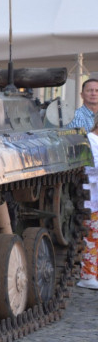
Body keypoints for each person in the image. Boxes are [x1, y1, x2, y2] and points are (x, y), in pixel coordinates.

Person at [71, 78, 98, 289]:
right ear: (82, 94)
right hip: (90, 191)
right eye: (90, 90)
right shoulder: (81, 120)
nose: (94, 93)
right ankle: (88, 275)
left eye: (97, 90)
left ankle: (91, 273)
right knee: (91, 235)